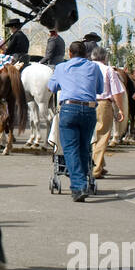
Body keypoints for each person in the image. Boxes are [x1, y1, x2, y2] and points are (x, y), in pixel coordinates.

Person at [47, 41, 104, 201]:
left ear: (69, 53)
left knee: (70, 148)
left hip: (69, 109)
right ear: (86, 54)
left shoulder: (61, 67)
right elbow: (99, 89)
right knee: (84, 147)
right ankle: (84, 178)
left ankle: (79, 187)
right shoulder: (94, 67)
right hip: (89, 110)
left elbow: (50, 87)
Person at [89, 45, 125, 179]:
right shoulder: (108, 69)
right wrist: (120, 108)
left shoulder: (86, 67)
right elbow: (116, 92)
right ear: (105, 57)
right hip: (103, 103)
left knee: (91, 135)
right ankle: (96, 169)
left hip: (85, 103)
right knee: (102, 135)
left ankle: (100, 163)